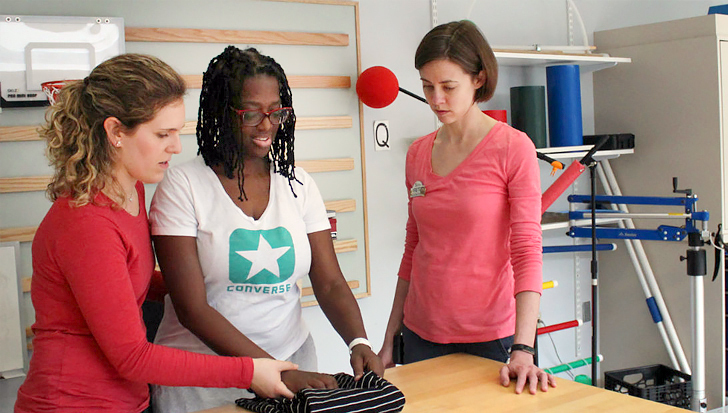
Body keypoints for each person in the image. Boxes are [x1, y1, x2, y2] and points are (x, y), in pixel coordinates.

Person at [14, 54, 297, 413]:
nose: (176, 147)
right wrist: (249, 371)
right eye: (163, 134)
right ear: (116, 132)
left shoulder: (132, 190)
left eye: (176, 132)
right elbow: (133, 357)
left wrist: (210, 280)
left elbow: (125, 283)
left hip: (126, 400)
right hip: (71, 403)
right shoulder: (86, 224)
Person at [148, 46, 384, 413]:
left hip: (292, 362)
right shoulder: (182, 186)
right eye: (252, 113)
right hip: (203, 379)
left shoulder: (299, 184)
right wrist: (269, 370)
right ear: (221, 113)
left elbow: (330, 282)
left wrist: (358, 341)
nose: (267, 125)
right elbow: (192, 308)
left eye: (276, 111)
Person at [378, 20, 558, 395]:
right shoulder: (417, 154)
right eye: (427, 86)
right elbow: (413, 249)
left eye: (448, 86)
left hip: (495, 340)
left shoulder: (513, 148)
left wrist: (523, 347)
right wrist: (390, 336)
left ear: (478, 79)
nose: (435, 99)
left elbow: (527, 250)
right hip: (421, 336)